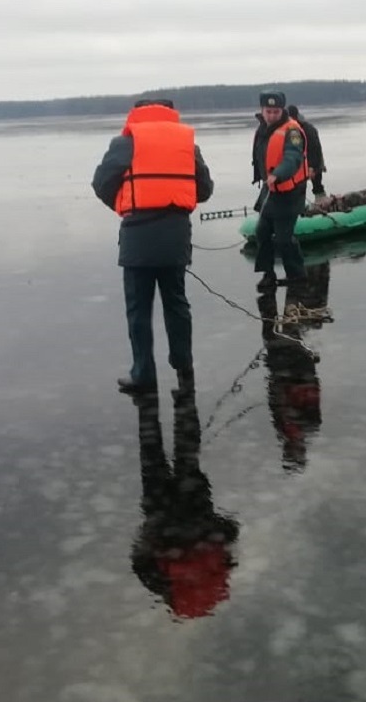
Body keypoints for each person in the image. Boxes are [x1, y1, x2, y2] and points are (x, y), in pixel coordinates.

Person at [91, 98, 214, 397]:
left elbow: (101, 183)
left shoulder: (125, 142)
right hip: (175, 235)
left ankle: (143, 375)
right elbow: (205, 189)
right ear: (171, 113)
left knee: (139, 310)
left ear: (137, 113)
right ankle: (184, 368)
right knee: (176, 303)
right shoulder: (187, 144)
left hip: (137, 237)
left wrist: (125, 206)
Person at [129, 390, 240, 619]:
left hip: (195, 504)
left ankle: (185, 398)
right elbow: (140, 560)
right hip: (160, 515)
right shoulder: (160, 583)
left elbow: (230, 531)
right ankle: (146, 402)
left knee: (187, 455)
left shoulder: (218, 571)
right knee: (152, 454)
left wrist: (208, 524)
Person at [256, 274, 326, 473]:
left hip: (285, 370)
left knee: (274, 331)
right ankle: (286, 292)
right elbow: (310, 389)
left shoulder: (284, 429)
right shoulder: (308, 425)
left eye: (291, 453)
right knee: (285, 330)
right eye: (295, 452)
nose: (293, 449)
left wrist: (277, 383)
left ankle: (270, 297)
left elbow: (278, 401)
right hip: (295, 369)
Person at [251, 90, 309, 291]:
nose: (272, 115)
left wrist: (279, 173)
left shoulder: (292, 131)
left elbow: (293, 158)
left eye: (276, 111)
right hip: (270, 190)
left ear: (282, 110)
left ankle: (297, 275)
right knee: (262, 232)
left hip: (289, 192)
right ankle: (268, 274)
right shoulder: (262, 129)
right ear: (262, 110)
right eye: (268, 111)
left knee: (284, 238)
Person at [286, 103, 328, 197]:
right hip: (302, 163)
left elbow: (314, 148)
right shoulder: (293, 129)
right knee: (298, 187)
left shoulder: (307, 129)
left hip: (314, 162)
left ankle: (322, 202)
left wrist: (312, 166)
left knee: (317, 185)